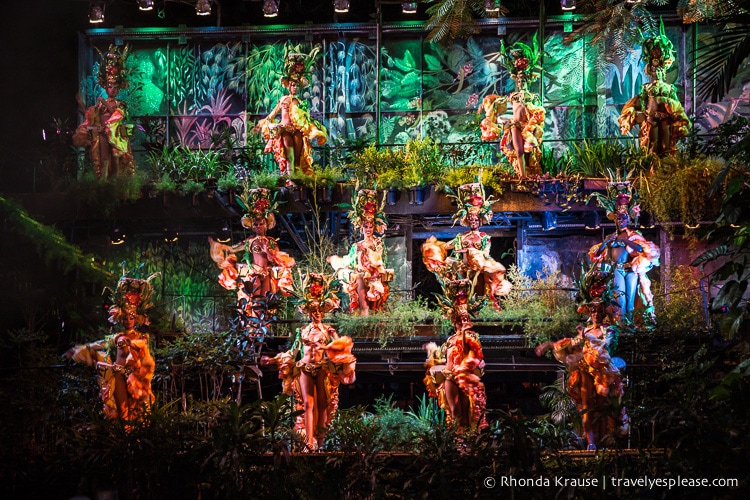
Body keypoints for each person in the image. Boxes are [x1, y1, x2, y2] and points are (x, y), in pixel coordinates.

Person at [261, 273, 356, 451]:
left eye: (319, 311)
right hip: (304, 368)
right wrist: (273, 359)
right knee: (307, 404)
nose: (317, 314)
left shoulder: (328, 330)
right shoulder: (302, 331)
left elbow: (341, 346)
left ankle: (320, 442)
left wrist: (325, 349)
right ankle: (308, 442)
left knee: (322, 405)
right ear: (308, 312)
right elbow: (293, 352)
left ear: (323, 311)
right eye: (313, 311)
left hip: (321, 368)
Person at [536, 270, 626, 450]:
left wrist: (586, 336)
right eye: (593, 311)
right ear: (589, 312)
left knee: (602, 406)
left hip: (603, 371)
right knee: (586, 405)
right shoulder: (585, 330)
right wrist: (547, 344)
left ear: (604, 312)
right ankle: (590, 442)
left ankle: (603, 440)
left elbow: (605, 343)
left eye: (600, 311)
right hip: (586, 368)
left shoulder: (608, 330)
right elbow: (571, 342)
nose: (596, 314)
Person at [65, 270, 159, 422]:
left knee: (138, 412)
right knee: (123, 412)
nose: (128, 320)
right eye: (126, 317)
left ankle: (135, 441)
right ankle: (123, 441)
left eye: (132, 317)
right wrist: (81, 349)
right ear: (120, 318)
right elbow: (98, 344)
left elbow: (147, 358)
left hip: (136, 378)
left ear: (137, 319)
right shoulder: (117, 337)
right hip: (118, 375)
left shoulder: (143, 337)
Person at [422, 182, 511, 311]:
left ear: (480, 220)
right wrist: (434, 247)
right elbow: (447, 246)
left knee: (479, 290)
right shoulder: (461, 237)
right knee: (460, 289)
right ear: (467, 220)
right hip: (462, 270)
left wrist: (474, 254)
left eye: (475, 219)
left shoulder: (485, 238)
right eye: (470, 219)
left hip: (478, 270)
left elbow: (485, 253)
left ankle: (480, 309)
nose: (473, 221)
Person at [209, 188, 295, 315]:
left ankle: (264, 327)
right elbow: (234, 248)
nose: (258, 227)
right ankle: (253, 328)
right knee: (254, 300)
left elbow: (273, 259)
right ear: (252, 225)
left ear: (266, 224)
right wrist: (217, 245)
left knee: (266, 300)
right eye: (256, 224)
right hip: (254, 272)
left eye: (261, 224)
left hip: (267, 273)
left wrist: (268, 251)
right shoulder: (250, 241)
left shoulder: (271, 241)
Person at [618, 20, 691, 156]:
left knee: (666, 148)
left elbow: (677, 108)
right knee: (652, 148)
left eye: (659, 68)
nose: (657, 70)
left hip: (666, 123)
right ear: (649, 69)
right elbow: (636, 104)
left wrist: (681, 122)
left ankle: (665, 173)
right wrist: (629, 119)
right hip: (651, 121)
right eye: (654, 67)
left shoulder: (669, 89)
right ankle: (651, 172)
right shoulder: (646, 89)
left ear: (664, 68)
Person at [424, 279, 487, 432]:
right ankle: (455, 438)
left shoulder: (472, 337)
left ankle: (467, 438)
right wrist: (431, 351)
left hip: (464, 378)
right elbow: (442, 357)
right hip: (450, 377)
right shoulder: (450, 340)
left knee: (467, 411)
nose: (462, 323)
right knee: (455, 411)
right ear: (454, 322)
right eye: (459, 320)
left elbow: (467, 348)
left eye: (465, 320)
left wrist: (465, 332)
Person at [254, 47, 327, 181]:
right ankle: (289, 180)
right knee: (290, 155)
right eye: (293, 85)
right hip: (285, 130)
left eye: (297, 85)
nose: (295, 87)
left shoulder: (301, 102)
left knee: (299, 156)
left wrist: (315, 126)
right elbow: (272, 114)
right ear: (288, 86)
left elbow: (304, 118)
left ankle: (298, 181)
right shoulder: (284, 99)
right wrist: (262, 124)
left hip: (297, 130)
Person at [588, 191, 660, 323]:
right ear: (615, 219)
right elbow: (598, 254)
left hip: (631, 270)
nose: (621, 221)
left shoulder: (633, 235)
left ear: (629, 219)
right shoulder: (611, 236)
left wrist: (625, 241)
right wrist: (606, 242)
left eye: (624, 218)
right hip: (617, 269)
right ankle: (621, 325)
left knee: (630, 299)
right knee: (620, 299)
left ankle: (630, 325)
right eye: (618, 218)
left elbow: (640, 248)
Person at [479, 35, 545, 177]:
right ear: (516, 81)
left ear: (528, 80)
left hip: (528, 127)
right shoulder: (513, 96)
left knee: (530, 151)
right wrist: (491, 105)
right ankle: (522, 177)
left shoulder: (533, 97)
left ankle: (529, 175)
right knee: (519, 151)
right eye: (519, 80)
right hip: (515, 125)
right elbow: (498, 101)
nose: (521, 82)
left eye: (523, 80)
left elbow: (538, 113)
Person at [73, 44, 136, 180]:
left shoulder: (119, 104)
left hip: (115, 135)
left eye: (114, 86)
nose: (112, 89)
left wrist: (105, 103)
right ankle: (103, 185)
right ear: (106, 87)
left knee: (116, 159)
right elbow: (91, 117)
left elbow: (116, 114)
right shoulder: (100, 104)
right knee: (104, 160)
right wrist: (81, 104)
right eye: (109, 86)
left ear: (119, 88)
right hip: (102, 133)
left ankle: (117, 185)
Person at [328, 189, 393, 315]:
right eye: (365, 227)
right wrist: (335, 260)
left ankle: (366, 311)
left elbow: (381, 260)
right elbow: (350, 261)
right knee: (356, 278)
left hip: (374, 275)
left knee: (363, 280)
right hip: (360, 274)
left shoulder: (378, 243)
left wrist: (368, 252)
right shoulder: (356, 245)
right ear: (361, 227)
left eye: (370, 227)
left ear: (374, 227)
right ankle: (363, 311)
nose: (368, 229)